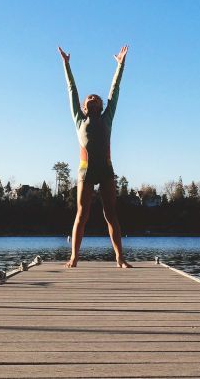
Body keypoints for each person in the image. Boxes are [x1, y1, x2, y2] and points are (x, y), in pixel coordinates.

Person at [58, 45, 131, 268]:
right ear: (84, 106)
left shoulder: (108, 117)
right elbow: (72, 90)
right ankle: (74, 257)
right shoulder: (79, 119)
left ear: (101, 105)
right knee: (82, 213)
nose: (92, 97)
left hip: (106, 170)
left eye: (96, 97)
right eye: (89, 97)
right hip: (85, 171)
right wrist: (66, 65)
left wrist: (120, 65)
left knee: (111, 214)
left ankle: (120, 258)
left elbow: (115, 89)